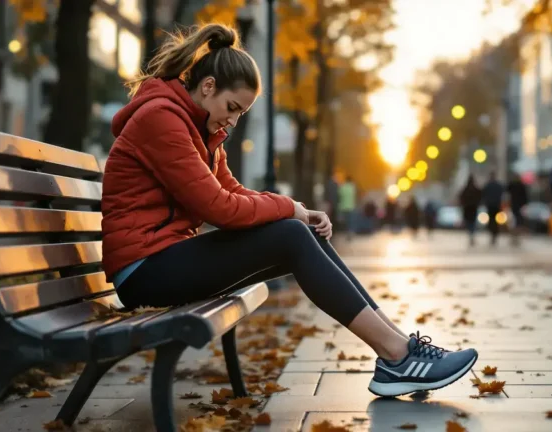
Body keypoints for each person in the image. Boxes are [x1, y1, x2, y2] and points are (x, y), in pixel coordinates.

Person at [101, 23, 477, 397]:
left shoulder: (199, 129)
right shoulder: (161, 120)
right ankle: (397, 356)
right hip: (144, 271)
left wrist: (298, 212)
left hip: (165, 259)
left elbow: (231, 190)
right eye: (231, 108)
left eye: (241, 113)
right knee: (291, 234)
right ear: (208, 86)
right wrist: (288, 209)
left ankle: (401, 349)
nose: (232, 121)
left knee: (301, 232)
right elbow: (219, 208)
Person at [482, 172, 505, 246]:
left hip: (490, 206)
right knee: (496, 221)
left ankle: (493, 234)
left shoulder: (488, 185)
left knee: (491, 220)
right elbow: (502, 193)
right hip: (496, 205)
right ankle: (494, 234)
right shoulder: (498, 186)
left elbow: (483, 194)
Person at [506, 174, 529, 246]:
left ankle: (515, 236)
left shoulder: (513, 185)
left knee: (514, 221)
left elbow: (507, 190)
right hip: (518, 206)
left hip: (515, 206)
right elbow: (525, 197)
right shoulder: (521, 185)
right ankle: (516, 236)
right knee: (517, 221)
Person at [459, 175, 482, 246]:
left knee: (469, 222)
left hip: (468, 208)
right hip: (473, 208)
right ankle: (472, 235)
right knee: (472, 222)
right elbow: (480, 196)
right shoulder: (475, 189)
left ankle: (471, 235)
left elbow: (461, 197)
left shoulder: (466, 189)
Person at [338, 176, 357, 241]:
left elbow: (339, 195)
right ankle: (350, 232)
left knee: (345, 221)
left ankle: (346, 232)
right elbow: (355, 196)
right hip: (351, 206)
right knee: (351, 221)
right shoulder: (352, 187)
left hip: (343, 206)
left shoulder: (342, 187)